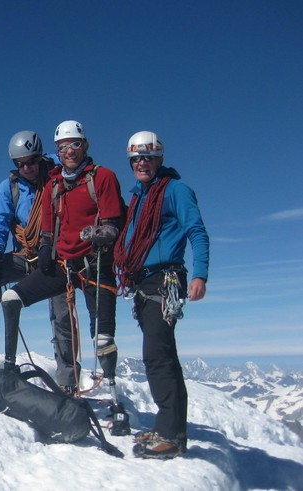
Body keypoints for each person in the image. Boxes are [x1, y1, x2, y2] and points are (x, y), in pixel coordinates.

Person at [0, 120, 125, 395]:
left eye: (75, 144)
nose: (70, 151)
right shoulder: (54, 184)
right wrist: (45, 247)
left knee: (103, 338)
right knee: (11, 299)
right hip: (63, 266)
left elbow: (115, 222)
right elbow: (47, 223)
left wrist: (99, 233)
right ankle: (9, 369)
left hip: (96, 265)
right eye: (64, 146)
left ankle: (115, 401)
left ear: (85, 145)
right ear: (58, 150)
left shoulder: (102, 177)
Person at [114, 131, 209, 459]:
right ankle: (170, 430)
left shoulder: (175, 190)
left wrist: (200, 275)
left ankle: (170, 436)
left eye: (148, 157)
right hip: (145, 282)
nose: (142, 163)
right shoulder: (140, 196)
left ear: (159, 159)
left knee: (157, 356)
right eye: (136, 158)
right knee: (163, 355)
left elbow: (196, 231)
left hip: (164, 280)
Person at [0, 131, 70, 376]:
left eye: (31, 161)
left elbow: (72, 162)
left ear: (40, 158)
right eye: (20, 164)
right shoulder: (9, 187)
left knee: (62, 312)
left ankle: (67, 378)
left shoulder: (57, 177)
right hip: (26, 254)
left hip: (56, 257)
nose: (27, 167)